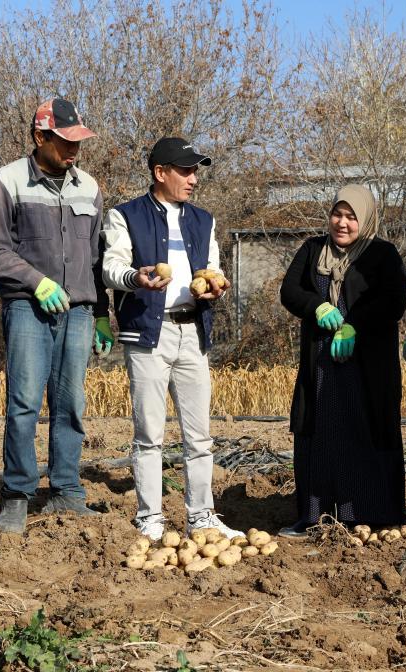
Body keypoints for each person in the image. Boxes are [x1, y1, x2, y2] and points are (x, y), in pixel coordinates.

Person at [0, 98, 112, 535]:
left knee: (71, 403)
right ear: (40, 137)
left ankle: (67, 490)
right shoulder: (7, 182)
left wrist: (102, 313)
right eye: (65, 141)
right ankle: (17, 494)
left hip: (78, 311)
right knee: (24, 403)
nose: (74, 149)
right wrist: (36, 282)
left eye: (79, 141)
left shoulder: (88, 187)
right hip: (28, 308)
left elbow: (96, 258)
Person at [101, 136, 242, 541]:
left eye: (196, 171)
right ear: (160, 172)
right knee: (149, 433)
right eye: (186, 170)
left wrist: (215, 285)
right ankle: (150, 517)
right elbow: (110, 267)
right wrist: (135, 277)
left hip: (193, 331)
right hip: (149, 332)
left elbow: (212, 266)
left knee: (199, 435)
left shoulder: (203, 220)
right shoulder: (125, 215)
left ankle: (201, 515)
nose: (193, 178)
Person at [278, 184, 406, 538]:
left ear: (365, 219)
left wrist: (355, 326)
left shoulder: (382, 254)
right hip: (321, 363)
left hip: (365, 367)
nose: (343, 223)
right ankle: (315, 516)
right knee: (320, 434)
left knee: (362, 431)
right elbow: (290, 291)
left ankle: (368, 514)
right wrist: (316, 306)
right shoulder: (313, 250)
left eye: (352, 217)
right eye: (337, 214)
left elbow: (393, 301)